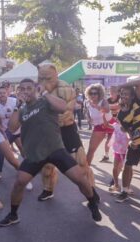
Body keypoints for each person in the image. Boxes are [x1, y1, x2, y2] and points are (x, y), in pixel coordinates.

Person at [0, 79, 101, 227]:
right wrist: (17, 106)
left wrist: (44, 93)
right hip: (34, 154)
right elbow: (12, 128)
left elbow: (63, 107)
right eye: (22, 89)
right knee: (19, 183)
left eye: (29, 88)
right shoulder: (22, 110)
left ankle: (92, 202)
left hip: (55, 149)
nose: (26, 91)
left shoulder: (45, 102)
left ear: (35, 89)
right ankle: (13, 215)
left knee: (80, 178)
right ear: (18, 92)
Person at [37, 64, 96, 202]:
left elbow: (65, 115)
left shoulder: (65, 89)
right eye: (41, 78)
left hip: (66, 129)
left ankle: (91, 189)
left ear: (56, 76)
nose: (44, 82)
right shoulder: (36, 90)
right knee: (46, 166)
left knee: (81, 163)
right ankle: (48, 189)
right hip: (48, 132)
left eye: (48, 78)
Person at [0, 85, 25, 181]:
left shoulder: (14, 101)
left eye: (3, 93)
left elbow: (23, 113)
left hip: (20, 129)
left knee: (23, 149)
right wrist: (3, 133)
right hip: (8, 131)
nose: (2, 95)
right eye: (0, 93)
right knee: (2, 148)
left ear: (7, 93)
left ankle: (30, 167)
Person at [84, 83, 115, 165]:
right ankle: (86, 171)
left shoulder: (103, 101)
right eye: (91, 93)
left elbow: (107, 110)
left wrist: (96, 106)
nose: (93, 95)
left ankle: (120, 164)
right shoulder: (87, 103)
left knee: (116, 148)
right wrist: (89, 120)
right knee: (91, 150)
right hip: (99, 127)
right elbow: (87, 113)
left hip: (111, 124)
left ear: (99, 94)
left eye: (95, 93)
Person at [107, 118, 130, 194]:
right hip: (117, 151)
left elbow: (130, 137)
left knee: (127, 169)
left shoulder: (128, 127)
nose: (117, 118)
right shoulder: (116, 125)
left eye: (119, 117)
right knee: (115, 167)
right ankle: (116, 185)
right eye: (117, 117)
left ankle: (127, 187)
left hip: (126, 151)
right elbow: (105, 125)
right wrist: (103, 115)